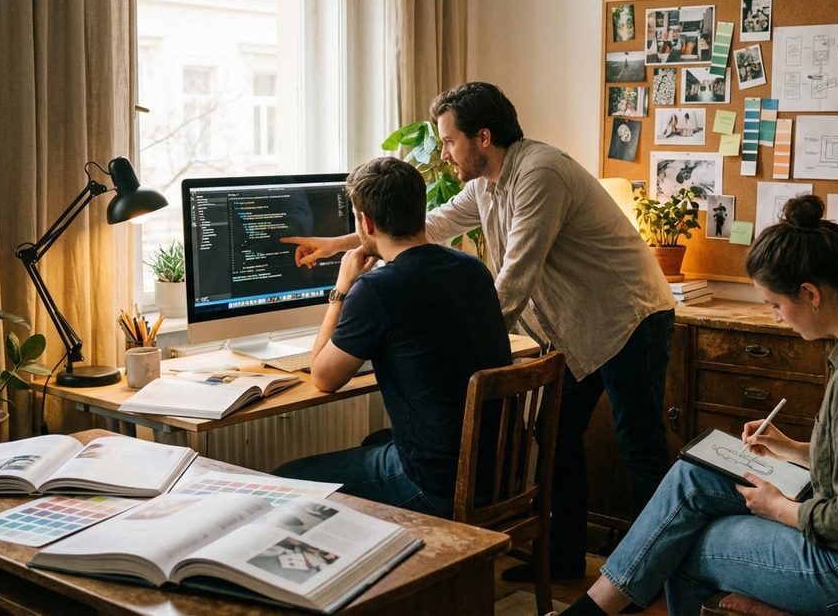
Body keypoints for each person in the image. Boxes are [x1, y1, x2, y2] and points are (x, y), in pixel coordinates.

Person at [287, 82, 676, 579]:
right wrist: (343, 240)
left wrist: (465, 342)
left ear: (484, 138)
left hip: (630, 316)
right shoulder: (486, 186)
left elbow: (516, 275)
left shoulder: (541, 174)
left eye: (449, 141)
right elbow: (426, 226)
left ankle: (648, 576)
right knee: (554, 434)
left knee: (638, 445)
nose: (444, 153)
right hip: (581, 328)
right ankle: (563, 559)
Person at [560, 194, 838, 615]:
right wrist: (792, 449)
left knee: (682, 545)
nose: (777, 317)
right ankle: (592, 610)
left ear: (810, 293)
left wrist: (780, 508)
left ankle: (590, 611)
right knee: (694, 474)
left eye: (776, 305)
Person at [271, 157, 511, 518]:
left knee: (282, 481)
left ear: (366, 221)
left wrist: (341, 289)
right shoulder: (471, 268)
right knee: (375, 442)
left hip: (437, 484)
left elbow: (323, 378)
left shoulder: (377, 289)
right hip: (498, 471)